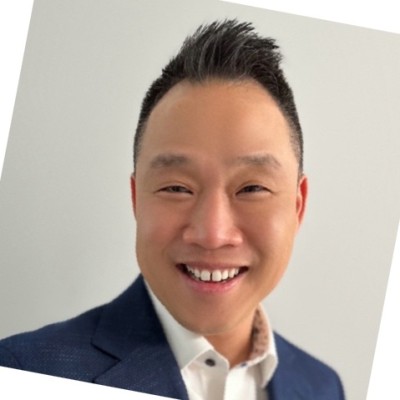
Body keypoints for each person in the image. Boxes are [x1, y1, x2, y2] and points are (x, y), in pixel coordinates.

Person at [0, 20, 345, 399]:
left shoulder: (323, 386)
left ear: (297, 206)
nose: (213, 234)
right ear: (137, 199)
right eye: (177, 188)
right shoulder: (22, 372)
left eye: (251, 188)